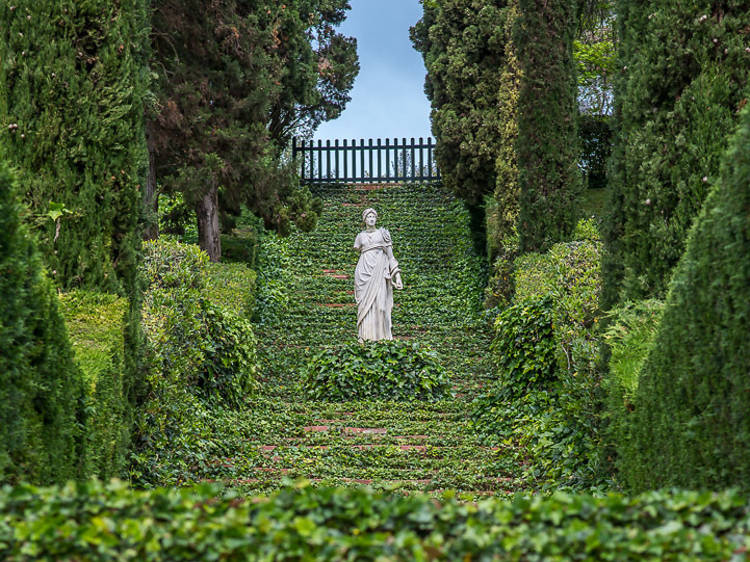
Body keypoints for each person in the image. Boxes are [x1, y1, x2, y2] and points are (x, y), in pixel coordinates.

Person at [353, 208, 403, 341]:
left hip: (380, 271)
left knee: (381, 307)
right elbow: (357, 248)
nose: (371, 219)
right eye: (368, 216)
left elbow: (391, 256)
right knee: (365, 307)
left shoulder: (383, 234)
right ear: (364, 219)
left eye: (373, 216)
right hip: (363, 271)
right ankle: (364, 338)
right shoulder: (360, 236)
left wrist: (397, 276)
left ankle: (382, 340)